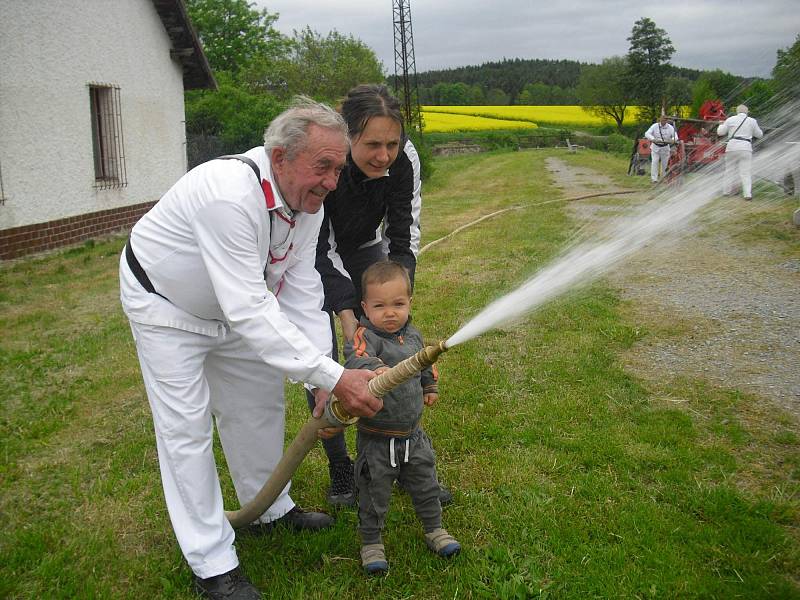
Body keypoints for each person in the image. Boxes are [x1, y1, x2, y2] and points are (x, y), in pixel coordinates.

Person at [119, 97, 383, 600]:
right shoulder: (228, 194)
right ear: (280, 158)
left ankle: (269, 510)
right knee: (185, 429)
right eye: (322, 166)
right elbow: (247, 306)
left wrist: (319, 376)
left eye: (338, 169)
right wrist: (333, 376)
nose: (332, 181)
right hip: (166, 307)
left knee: (258, 405)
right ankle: (212, 563)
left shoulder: (306, 200)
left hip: (237, 307)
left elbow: (304, 289)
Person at [310, 84, 451, 508]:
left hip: (368, 247)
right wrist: (347, 310)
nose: (383, 155)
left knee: (388, 340)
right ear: (349, 135)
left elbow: (403, 229)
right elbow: (319, 246)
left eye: (391, 143)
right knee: (326, 357)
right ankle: (341, 466)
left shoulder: (403, 159)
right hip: (315, 251)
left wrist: (393, 293)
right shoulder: (327, 159)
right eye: (372, 144)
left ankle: (402, 459)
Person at [343, 260, 461, 575]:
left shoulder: (412, 336)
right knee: (374, 493)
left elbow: (424, 363)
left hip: (413, 436)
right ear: (365, 307)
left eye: (398, 304)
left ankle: (434, 529)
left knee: (425, 484)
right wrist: (373, 367)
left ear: (410, 302)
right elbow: (354, 359)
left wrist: (430, 386)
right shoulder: (366, 336)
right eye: (380, 306)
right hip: (377, 440)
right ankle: (371, 543)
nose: (390, 312)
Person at [717, 104, 764, 200]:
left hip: (732, 147)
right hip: (746, 148)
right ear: (747, 112)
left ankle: (726, 192)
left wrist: (721, 124)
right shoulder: (752, 121)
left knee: (729, 171)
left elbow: (720, 132)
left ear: (737, 111)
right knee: (745, 173)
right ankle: (747, 194)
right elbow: (759, 135)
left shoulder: (730, 119)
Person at [644, 114, 678, 183]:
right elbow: (647, 133)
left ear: (666, 121)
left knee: (665, 164)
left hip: (665, 147)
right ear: (660, 120)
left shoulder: (670, 127)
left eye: (664, 120)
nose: (663, 121)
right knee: (655, 162)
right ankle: (654, 179)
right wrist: (653, 139)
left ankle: (664, 178)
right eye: (662, 120)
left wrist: (672, 140)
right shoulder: (655, 126)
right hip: (655, 147)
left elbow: (676, 137)